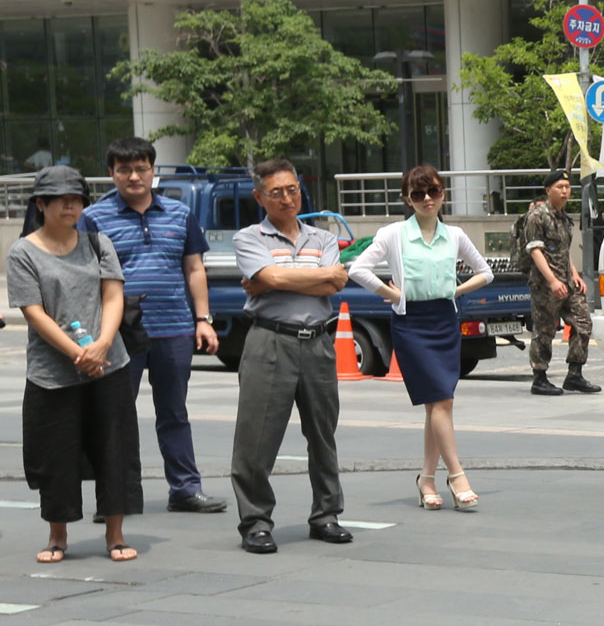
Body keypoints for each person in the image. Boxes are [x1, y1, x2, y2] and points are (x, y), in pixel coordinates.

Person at [82, 136, 226, 514]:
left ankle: (185, 490)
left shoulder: (180, 214)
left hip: (175, 328)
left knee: (174, 412)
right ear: (111, 173)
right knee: (114, 416)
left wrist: (203, 319)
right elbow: (83, 276)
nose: (134, 176)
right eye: (125, 169)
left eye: (142, 168)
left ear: (152, 171)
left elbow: (194, 269)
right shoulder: (94, 218)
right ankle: (112, 497)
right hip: (118, 334)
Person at [9, 166, 144, 563]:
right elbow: (34, 313)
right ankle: (57, 537)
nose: (71, 206)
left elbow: (114, 296)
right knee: (56, 455)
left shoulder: (98, 242)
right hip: (53, 373)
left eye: (77, 199)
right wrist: (77, 353)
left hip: (110, 364)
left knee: (114, 449)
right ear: (41, 204)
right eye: (61, 199)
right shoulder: (23, 252)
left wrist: (102, 345)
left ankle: (115, 536)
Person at [348, 164, 495, 511]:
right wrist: (391, 293)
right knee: (442, 401)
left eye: (434, 192)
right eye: (419, 194)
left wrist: (455, 289)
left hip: (444, 320)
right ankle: (456, 474)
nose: (428, 199)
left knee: (437, 404)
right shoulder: (393, 234)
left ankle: (426, 480)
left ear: (443, 194)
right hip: (411, 324)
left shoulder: (455, 234)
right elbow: (357, 269)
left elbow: (485, 272)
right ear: (407, 199)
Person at [229, 159, 352, 554]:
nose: (287, 198)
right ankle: (256, 522)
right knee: (257, 437)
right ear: (259, 197)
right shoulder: (249, 238)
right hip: (270, 342)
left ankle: (327, 515)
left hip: (317, 343)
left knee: (322, 433)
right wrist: (306, 278)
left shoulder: (322, 237)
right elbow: (277, 279)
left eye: (293, 189)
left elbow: (333, 281)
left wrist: (275, 279)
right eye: (277, 192)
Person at [522, 169, 600, 397]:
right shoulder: (537, 216)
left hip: (566, 282)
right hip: (546, 285)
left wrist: (574, 274)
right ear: (548, 191)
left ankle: (574, 374)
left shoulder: (565, 218)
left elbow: (564, 251)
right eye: (560, 187)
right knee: (544, 331)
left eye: (567, 187)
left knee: (583, 322)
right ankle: (540, 378)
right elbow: (535, 251)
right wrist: (553, 280)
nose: (565, 191)